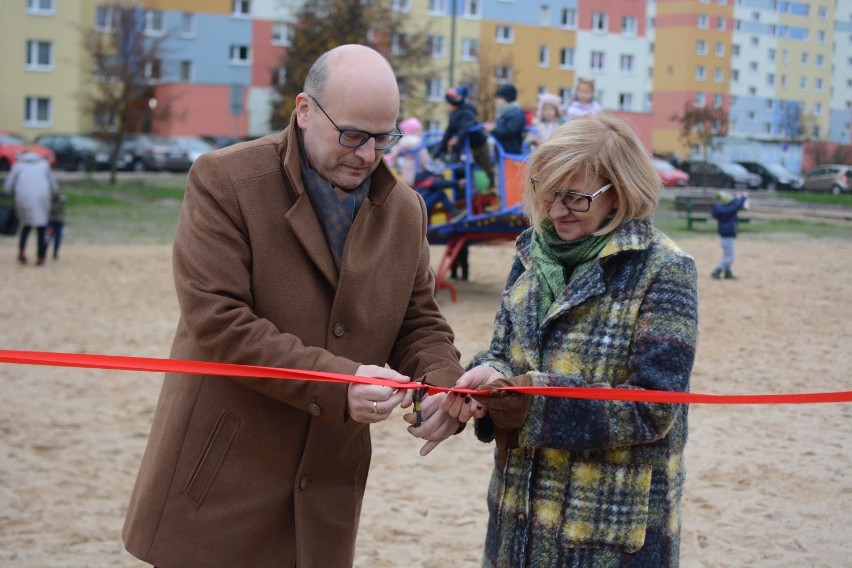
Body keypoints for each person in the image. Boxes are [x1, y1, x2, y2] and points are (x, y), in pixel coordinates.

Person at [122, 44, 465, 568]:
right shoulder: (225, 181)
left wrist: (442, 384)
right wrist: (338, 382)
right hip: (220, 482)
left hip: (327, 489)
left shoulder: (406, 210)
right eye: (352, 135)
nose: (368, 155)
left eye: (384, 139)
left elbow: (418, 320)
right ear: (304, 111)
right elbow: (219, 320)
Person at [443, 113, 699, 566]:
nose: (557, 210)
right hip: (516, 514)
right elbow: (504, 352)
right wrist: (490, 375)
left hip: (605, 530)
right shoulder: (530, 252)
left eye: (576, 198)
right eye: (548, 191)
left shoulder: (664, 269)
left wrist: (533, 404)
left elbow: (654, 406)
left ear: (618, 192)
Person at [432, 85, 495, 190]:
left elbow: (463, 130)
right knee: (472, 167)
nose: (448, 107)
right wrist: (437, 153)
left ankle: (492, 186)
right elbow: (448, 133)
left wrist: (456, 143)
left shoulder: (466, 112)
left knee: (486, 166)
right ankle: (475, 190)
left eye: (449, 104)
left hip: (479, 143)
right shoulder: (455, 114)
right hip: (469, 145)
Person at [3, 149, 58, 266]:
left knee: (26, 225)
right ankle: (40, 256)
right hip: (42, 199)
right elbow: (53, 185)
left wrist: (10, 194)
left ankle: (21, 250)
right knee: (41, 228)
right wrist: (54, 196)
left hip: (23, 199)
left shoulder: (18, 165)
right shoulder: (44, 165)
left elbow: (8, 187)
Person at [711, 190, 748, 280]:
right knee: (730, 257)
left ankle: (728, 273)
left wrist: (738, 197)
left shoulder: (720, 208)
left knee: (726, 255)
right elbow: (736, 206)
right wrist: (743, 197)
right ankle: (717, 271)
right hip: (728, 235)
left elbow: (732, 203)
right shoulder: (727, 209)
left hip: (725, 235)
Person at [386, 116, 430, 186]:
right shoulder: (418, 141)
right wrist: (426, 166)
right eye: (419, 129)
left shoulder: (404, 141)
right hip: (417, 168)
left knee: (408, 185)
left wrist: (396, 165)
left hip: (406, 166)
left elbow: (394, 154)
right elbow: (424, 158)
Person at [484, 83, 527, 155]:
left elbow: (509, 131)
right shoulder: (505, 113)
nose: (496, 101)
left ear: (507, 98)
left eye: (499, 98)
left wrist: (493, 129)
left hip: (511, 153)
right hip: (504, 152)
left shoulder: (516, 114)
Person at [46, 191, 67, 260]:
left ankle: (46, 252)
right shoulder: (62, 200)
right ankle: (50, 252)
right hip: (56, 222)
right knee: (52, 237)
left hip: (53, 222)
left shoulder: (50, 200)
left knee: (50, 237)